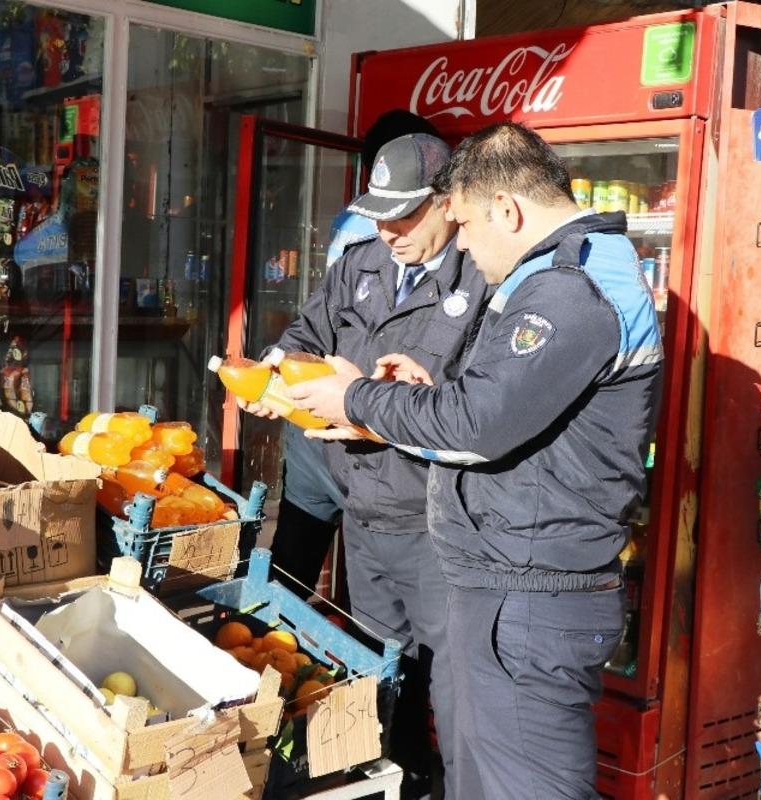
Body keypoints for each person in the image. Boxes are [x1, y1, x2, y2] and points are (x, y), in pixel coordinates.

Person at [288, 122, 662, 799]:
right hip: (512, 583)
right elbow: (502, 411)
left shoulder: (568, 289)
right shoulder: (564, 275)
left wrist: (358, 398)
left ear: (508, 211)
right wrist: (426, 395)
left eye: (462, 224)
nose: (461, 243)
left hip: (529, 592)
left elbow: (477, 426)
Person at [246, 132, 492, 800]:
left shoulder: (484, 277)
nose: (389, 230)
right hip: (365, 506)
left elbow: (483, 406)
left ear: (448, 203)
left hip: (440, 518)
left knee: (442, 675)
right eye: (380, 213)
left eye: (405, 214)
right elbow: (305, 336)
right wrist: (278, 371)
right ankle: (389, 779)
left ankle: (431, 782)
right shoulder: (359, 265)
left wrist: (389, 398)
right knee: (378, 663)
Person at [270, 109, 440, 598]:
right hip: (345, 436)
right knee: (357, 597)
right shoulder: (378, 240)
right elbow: (317, 327)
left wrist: (282, 365)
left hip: (342, 441)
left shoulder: (352, 221)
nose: (391, 230)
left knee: (292, 578)